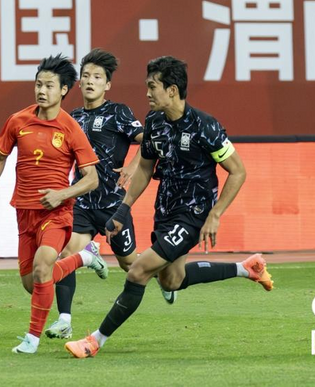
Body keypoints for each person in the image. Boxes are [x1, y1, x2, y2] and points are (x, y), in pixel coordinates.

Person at [65, 56, 271, 359]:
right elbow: (146, 168)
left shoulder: (205, 126)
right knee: (171, 279)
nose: (147, 93)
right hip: (166, 211)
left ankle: (95, 341)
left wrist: (214, 215)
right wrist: (123, 210)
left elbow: (238, 171)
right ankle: (247, 268)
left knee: (137, 272)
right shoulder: (155, 122)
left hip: (194, 214)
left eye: (153, 87)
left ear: (172, 90)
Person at [0, 54, 108, 355]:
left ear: (63, 90)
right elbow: (0, 158)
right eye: (38, 84)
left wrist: (62, 194)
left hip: (57, 213)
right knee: (32, 283)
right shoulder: (18, 120)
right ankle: (84, 258)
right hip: (25, 212)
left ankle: (31, 340)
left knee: (43, 266)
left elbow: (92, 179)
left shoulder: (71, 128)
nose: (41, 90)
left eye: (49, 85)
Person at [42, 49, 152, 340]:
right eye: (87, 76)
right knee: (66, 253)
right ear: (79, 83)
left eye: (98, 77)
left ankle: (164, 276)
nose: (91, 81)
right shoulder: (72, 117)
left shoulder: (119, 113)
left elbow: (148, 141)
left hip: (114, 206)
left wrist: (131, 165)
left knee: (131, 265)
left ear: (108, 85)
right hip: (82, 204)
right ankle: (64, 319)